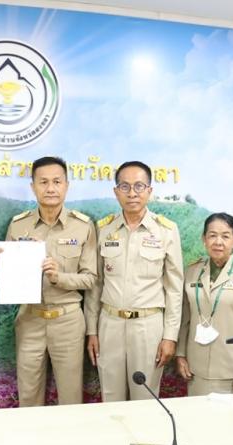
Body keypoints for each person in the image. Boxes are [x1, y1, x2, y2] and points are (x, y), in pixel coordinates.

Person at [85, 160, 183, 401]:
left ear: (149, 191)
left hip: (148, 326)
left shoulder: (166, 230)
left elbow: (174, 288)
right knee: (111, 397)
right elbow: (95, 285)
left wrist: (170, 336)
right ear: (116, 191)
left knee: (145, 397)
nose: (132, 193)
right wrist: (92, 331)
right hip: (109, 324)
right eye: (125, 186)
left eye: (139, 186)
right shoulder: (104, 229)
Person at [6, 156, 97, 406]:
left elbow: (90, 278)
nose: (50, 188)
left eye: (57, 182)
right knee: (28, 394)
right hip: (30, 318)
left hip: (68, 320)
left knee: (70, 396)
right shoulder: (18, 225)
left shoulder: (82, 226)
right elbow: (10, 273)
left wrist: (59, 277)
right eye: (43, 182)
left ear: (66, 185)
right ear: (33, 186)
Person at [176, 213, 233, 396]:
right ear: (204, 239)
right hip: (196, 367)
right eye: (212, 235)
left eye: (225, 236)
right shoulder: (192, 271)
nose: (218, 242)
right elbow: (184, 318)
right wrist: (180, 354)